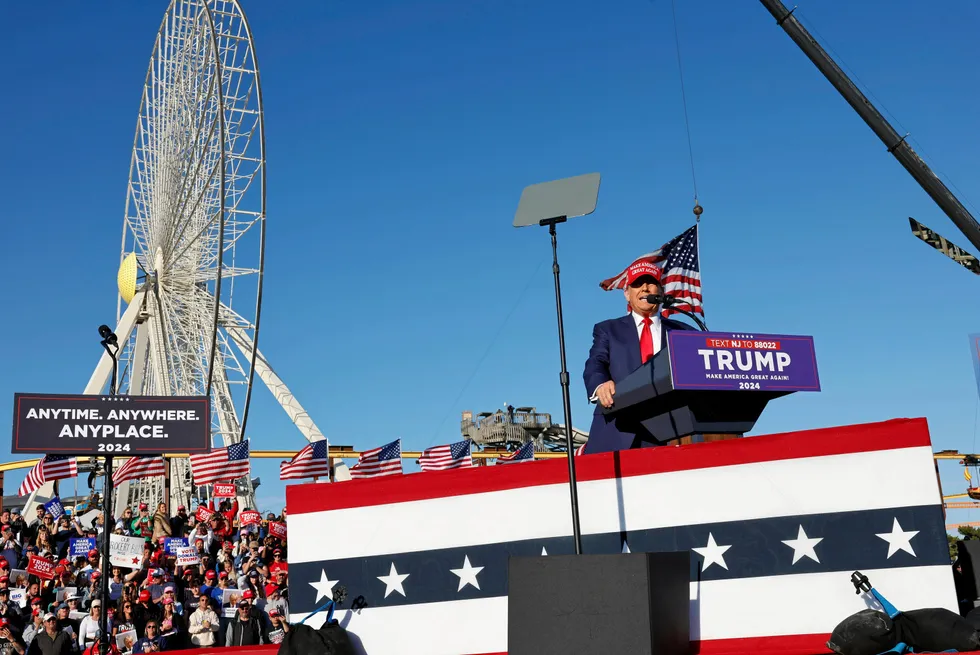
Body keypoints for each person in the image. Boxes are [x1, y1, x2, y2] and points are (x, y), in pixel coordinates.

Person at [583, 260, 696, 453]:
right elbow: (596, 362)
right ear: (627, 294)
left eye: (650, 283)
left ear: (660, 291)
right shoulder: (608, 330)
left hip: (671, 432)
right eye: (637, 284)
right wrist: (601, 384)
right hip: (617, 430)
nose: (644, 288)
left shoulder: (684, 332)